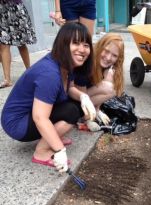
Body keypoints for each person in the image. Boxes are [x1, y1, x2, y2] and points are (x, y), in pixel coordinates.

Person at [1, 22, 96, 173]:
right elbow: (40, 118)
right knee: (72, 111)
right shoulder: (50, 74)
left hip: (28, 115)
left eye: (86, 45)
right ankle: (42, 151)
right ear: (63, 44)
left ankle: (51, 137)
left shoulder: (66, 64)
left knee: (76, 104)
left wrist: (83, 96)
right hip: (17, 124)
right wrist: (59, 150)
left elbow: (69, 88)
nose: (82, 49)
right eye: (76, 43)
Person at [69, 33, 125, 131]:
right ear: (100, 46)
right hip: (73, 98)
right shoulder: (87, 63)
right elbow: (80, 94)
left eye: (114, 55)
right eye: (106, 51)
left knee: (112, 84)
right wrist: (88, 118)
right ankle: (83, 117)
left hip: (85, 94)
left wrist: (98, 110)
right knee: (108, 88)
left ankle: (94, 111)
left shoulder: (105, 65)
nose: (108, 58)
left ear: (118, 58)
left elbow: (96, 84)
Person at [0, 0, 37, 88]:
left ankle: (29, 71)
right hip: (1, 10)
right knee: (3, 44)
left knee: (21, 43)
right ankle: (7, 80)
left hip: (15, 8)